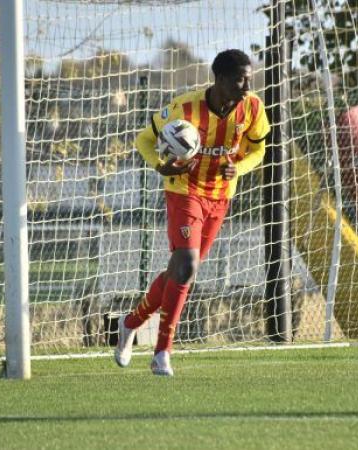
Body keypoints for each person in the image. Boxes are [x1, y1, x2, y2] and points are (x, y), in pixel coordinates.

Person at [114, 49, 270, 375]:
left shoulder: (253, 107)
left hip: (219, 198)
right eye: (241, 79)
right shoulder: (184, 108)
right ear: (221, 78)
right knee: (186, 263)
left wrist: (239, 168)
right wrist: (160, 165)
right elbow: (144, 140)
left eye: (250, 78)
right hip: (183, 191)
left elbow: (259, 149)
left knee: (181, 270)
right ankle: (162, 352)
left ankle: (129, 324)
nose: (247, 85)